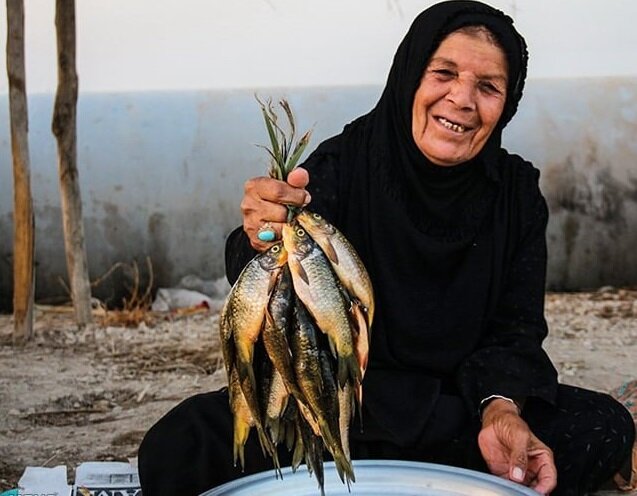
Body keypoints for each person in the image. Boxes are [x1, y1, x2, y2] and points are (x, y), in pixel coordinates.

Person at [138, 1, 635, 495]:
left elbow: (516, 330)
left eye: (487, 87)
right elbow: (262, 275)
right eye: (443, 73)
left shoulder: (516, 194)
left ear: (507, 103)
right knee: (180, 444)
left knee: (603, 426)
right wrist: (261, 231)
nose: (462, 98)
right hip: (338, 402)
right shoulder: (345, 163)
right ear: (409, 75)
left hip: (455, 410)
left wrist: (500, 410)